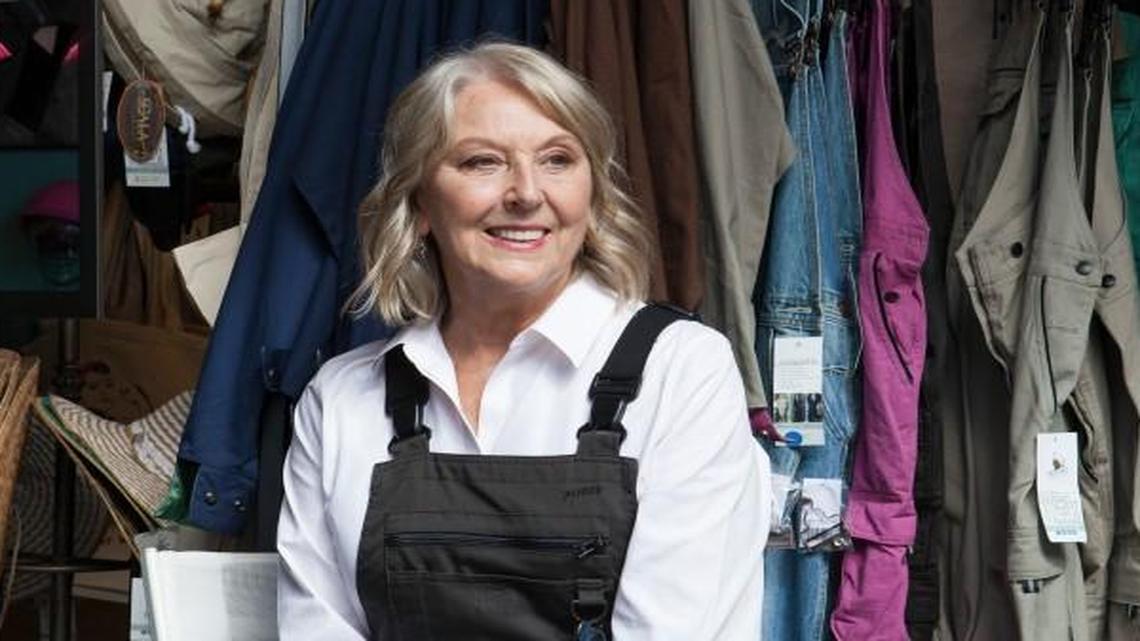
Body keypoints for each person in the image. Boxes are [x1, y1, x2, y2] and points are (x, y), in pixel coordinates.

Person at [276, 42, 771, 640]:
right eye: (483, 162)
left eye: (557, 160)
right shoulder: (340, 399)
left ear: (592, 195)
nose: (527, 193)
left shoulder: (681, 370)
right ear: (420, 201)